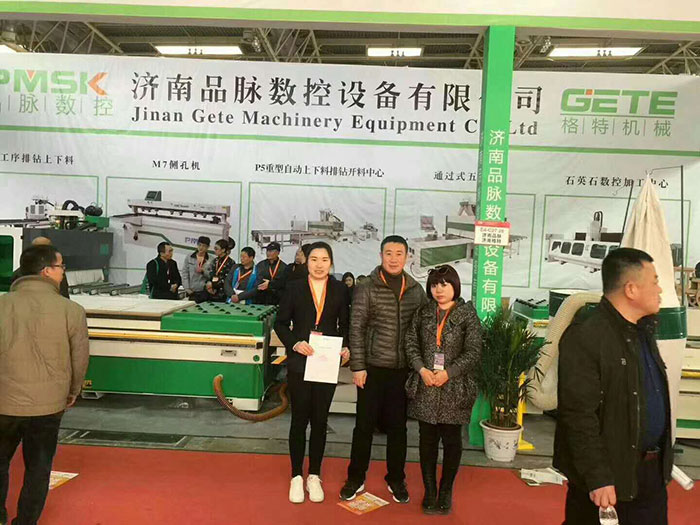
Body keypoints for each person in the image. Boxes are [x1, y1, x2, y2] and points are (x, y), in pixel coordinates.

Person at [554, 248, 672, 525]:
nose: (660, 289)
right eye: (654, 281)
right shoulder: (586, 336)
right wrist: (598, 476)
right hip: (609, 479)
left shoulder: (642, 331)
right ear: (631, 289)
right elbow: (578, 415)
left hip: (650, 474)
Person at [0, 245, 89, 525]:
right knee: (38, 468)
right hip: (48, 405)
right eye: (61, 266)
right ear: (46, 270)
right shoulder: (71, 310)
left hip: (3, 402)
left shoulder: (2, 305)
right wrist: (73, 391)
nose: (63, 272)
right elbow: (79, 358)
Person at [340, 235, 428, 504]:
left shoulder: (416, 290)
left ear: (407, 257)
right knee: (363, 427)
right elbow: (356, 328)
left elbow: (423, 329)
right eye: (388, 253)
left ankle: (396, 478)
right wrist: (358, 366)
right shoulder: (367, 287)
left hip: (402, 371)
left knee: (398, 428)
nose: (393, 258)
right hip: (372, 369)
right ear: (381, 256)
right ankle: (355, 477)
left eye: (399, 253)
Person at [274, 242, 350, 504]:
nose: (319, 265)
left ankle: (314, 475)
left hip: (326, 362)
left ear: (331, 262)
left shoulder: (340, 289)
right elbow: (280, 323)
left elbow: (345, 324)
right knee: (299, 420)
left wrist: (346, 347)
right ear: (307, 262)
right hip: (300, 361)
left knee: (320, 420)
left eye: (324, 260)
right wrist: (295, 343)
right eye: (314, 259)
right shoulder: (294, 287)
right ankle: (296, 475)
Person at [404, 265, 482, 515]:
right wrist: (421, 369)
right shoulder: (423, 312)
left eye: (444, 284)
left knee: (451, 441)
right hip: (426, 384)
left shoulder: (467, 314)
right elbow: (410, 343)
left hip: (454, 387)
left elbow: (474, 351)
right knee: (426, 441)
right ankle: (429, 490)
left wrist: (449, 372)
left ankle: (446, 490)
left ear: (455, 286)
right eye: (435, 285)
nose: (439, 290)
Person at [196, 239, 235, 303]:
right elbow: (211, 274)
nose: (215, 251)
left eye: (216, 249)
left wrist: (213, 285)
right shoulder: (215, 260)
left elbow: (227, 279)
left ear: (223, 250)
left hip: (222, 293)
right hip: (211, 290)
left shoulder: (231, 262)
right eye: (214, 249)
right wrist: (209, 284)